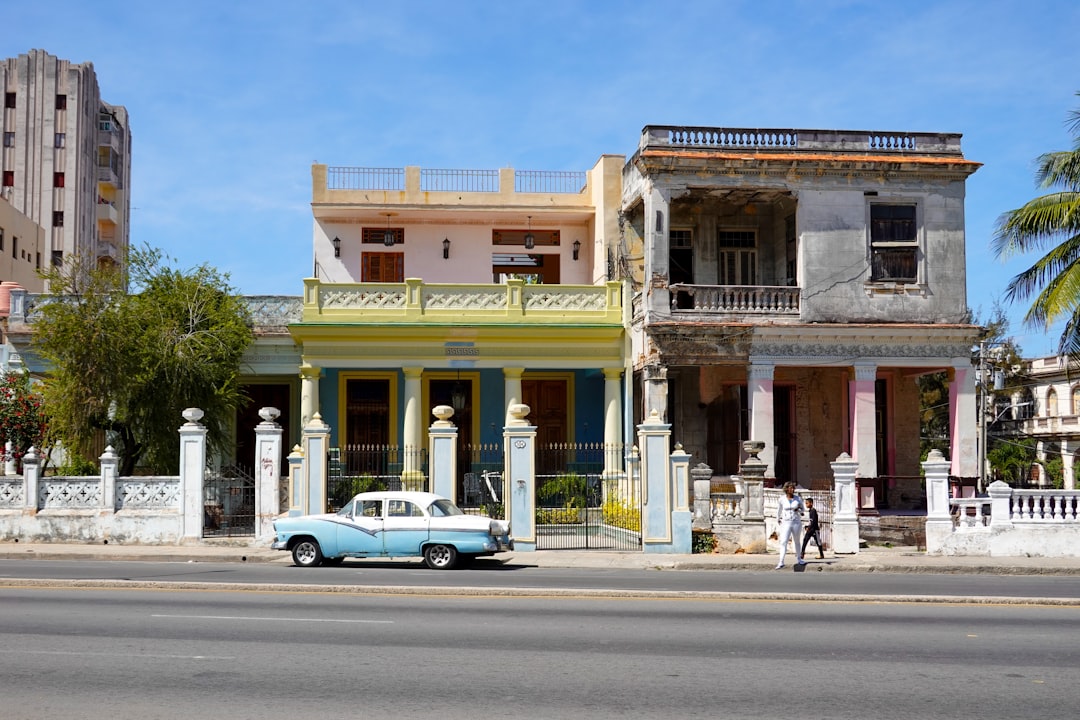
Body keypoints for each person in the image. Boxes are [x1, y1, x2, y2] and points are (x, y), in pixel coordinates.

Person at [775, 481, 806, 569]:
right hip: (786, 521)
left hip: (796, 521)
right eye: (790, 488)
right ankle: (781, 561)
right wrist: (778, 518)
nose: (792, 489)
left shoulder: (798, 499)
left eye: (793, 488)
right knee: (783, 541)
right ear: (786, 489)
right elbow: (779, 510)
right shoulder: (782, 499)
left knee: (796, 541)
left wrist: (798, 510)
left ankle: (799, 558)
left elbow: (803, 510)